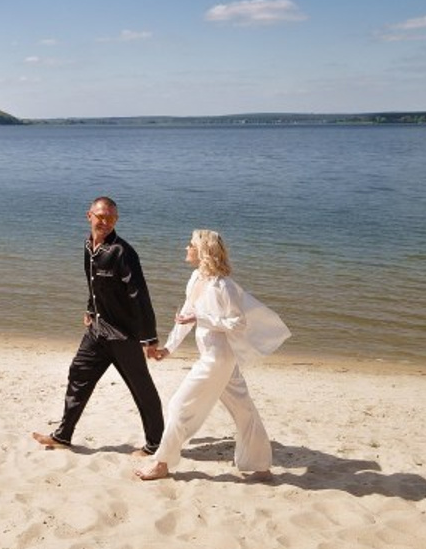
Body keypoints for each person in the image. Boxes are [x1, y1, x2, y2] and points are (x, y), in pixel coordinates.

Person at [134, 229, 288, 482]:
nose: (186, 248)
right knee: (244, 410)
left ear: (203, 251)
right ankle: (262, 468)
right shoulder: (196, 278)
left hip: (217, 359)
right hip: (216, 357)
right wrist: (169, 348)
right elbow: (185, 315)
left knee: (177, 405)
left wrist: (201, 318)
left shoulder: (223, 286)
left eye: (190, 245)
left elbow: (238, 323)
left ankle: (162, 463)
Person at [32, 196, 165, 455]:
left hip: (124, 336)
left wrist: (149, 339)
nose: (105, 222)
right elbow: (93, 283)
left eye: (111, 218)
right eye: (101, 216)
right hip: (97, 332)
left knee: (141, 388)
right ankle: (63, 435)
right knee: (78, 375)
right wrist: (90, 309)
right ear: (89, 215)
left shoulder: (122, 252)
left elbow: (139, 295)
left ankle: (156, 444)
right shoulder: (88, 245)